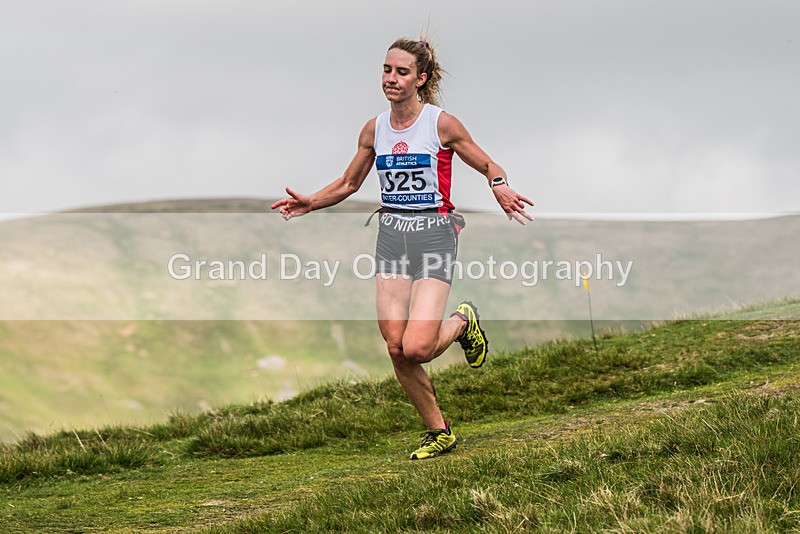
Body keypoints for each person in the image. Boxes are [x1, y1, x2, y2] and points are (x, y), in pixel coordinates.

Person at [271, 37, 533, 460]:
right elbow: (349, 183)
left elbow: (488, 163)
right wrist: (311, 202)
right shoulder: (374, 129)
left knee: (417, 348)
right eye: (387, 69)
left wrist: (499, 185)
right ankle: (439, 432)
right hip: (392, 236)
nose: (391, 78)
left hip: (434, 235)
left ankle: (462, 322)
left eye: (402, 72)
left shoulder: (440, 124)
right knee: (396, 347)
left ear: (421, 79)